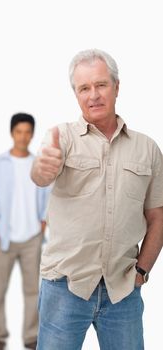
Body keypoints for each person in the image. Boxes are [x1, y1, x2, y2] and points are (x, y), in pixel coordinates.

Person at [31, 49, 163, 350]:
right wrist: (42, 167)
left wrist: (142, 270)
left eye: (101, 85)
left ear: (117, 86)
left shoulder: (148, 149)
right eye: (84, 88)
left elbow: (157, 216)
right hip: (64, 287)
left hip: (123, 291)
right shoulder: (61, 138)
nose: (93, 95)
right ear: (75, 94)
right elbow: (40, 176)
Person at [0, 113, 50, 350]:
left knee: (33, 289)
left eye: (27, 132)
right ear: (12, 133)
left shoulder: (39, 164)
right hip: (4, 237)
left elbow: (47, 201)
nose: (23, 136)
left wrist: (41, 227)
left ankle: (31, 336)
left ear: (32, 134)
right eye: (18, 131)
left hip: (33, 237)